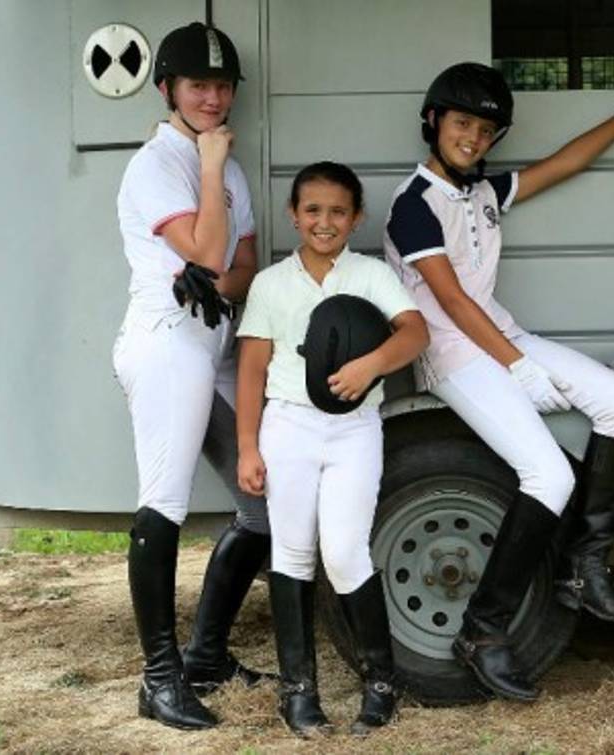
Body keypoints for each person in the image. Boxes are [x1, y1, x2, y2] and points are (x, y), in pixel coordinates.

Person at [382, 62, 614, 702]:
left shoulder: (485, 194)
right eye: (463, 123)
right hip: (455, 355)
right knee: (549, 475)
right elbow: (453, 301)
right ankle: (483, 631)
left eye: (487, 129)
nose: (474, 137)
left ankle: (584, 567)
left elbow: (566, 163)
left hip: (500, 335)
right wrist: (515, 367)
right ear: (434, 123)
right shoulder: (413, 206)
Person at [111, 21, 273, 730]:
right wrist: (208, 166)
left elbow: (242, 267)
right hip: (166, 343)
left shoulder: (232, 168)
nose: (213, 98)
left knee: (260, 505)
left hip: (214, 345)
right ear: (168, 88)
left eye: (222, 85)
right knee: (165, 501)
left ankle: (206, 653)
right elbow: (209, 246)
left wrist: (219, 274)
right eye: (198, 85)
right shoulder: (157, 164)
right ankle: (158, 677)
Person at [234, 162, 428, 737]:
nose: (325, 222)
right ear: (293, 214)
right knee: (293, 553)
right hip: (288, 427)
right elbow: (250, 369)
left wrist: (372, 364)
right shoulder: (271, 283)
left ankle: (380, 682)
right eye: (312, 210)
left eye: (338, 211)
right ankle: (298, 692)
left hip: (354, 429)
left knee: (345, 552)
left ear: (356, 217)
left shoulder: (369, 275)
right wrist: (248, 446)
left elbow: (415, 332)